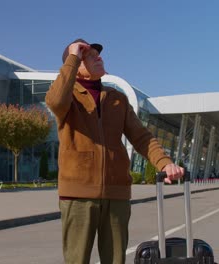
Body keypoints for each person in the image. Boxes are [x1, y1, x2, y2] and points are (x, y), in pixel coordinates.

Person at [45, 38, 184, 264]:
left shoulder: (117, 99)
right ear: (76, 66)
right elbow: (55, 101)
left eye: (98, 54)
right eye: (89, 56)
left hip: (116, 193)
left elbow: (141, 137)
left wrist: (164, 163)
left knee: (116, 260)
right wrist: (72, 56)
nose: (98, 57)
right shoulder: (68, 97)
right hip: (78, 195)